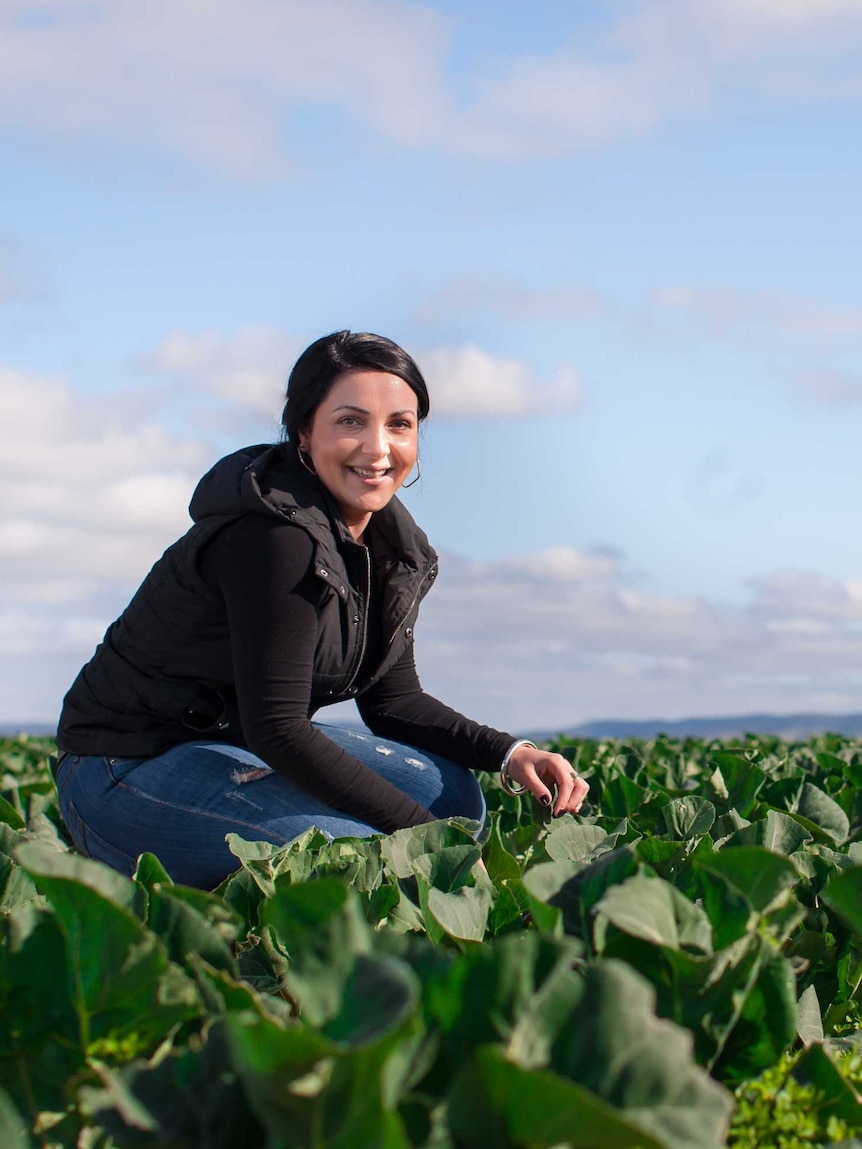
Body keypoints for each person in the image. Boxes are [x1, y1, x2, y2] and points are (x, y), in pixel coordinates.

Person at [54, 331, 590, 888]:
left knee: (453, 798)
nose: (378, 448)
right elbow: (278, 729)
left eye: (399, 425)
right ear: (304, 434)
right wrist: (422, 837)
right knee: (353, 858)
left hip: (226, 744)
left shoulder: (391, 548)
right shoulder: (274, 539)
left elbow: (393, 700)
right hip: (122, 768)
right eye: (350, 421)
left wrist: (510, 753)